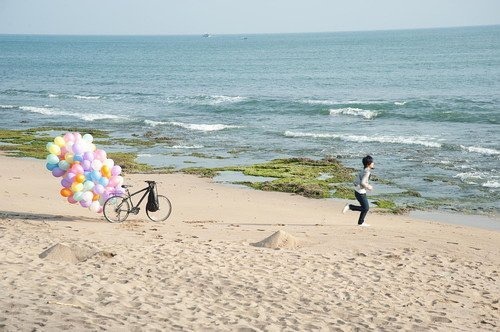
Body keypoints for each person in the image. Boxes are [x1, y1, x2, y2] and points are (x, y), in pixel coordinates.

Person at [342, 155, 375, 226]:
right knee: (366, 208)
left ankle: (361, 222)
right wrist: (369, 187)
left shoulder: (364, 170)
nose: (373, 163)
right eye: (372, 162)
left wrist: (366, 186)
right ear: (368, 164)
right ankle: (350, 206)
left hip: (358, 191)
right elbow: (363, 182)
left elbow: (360, 181)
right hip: (360, 192)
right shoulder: (367, 172)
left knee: (364, 207)